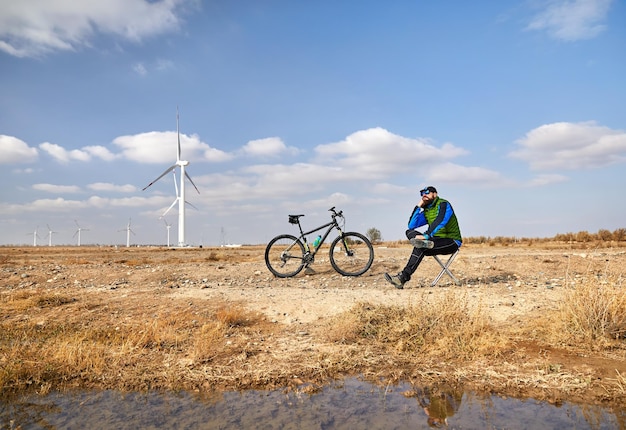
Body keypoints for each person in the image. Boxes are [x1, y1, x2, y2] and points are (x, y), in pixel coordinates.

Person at [384, 186, 462, 289]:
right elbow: (412, 225)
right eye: (422, 194)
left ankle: (402, 278)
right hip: (434, 241)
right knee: (410, 233)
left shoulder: (444, 204)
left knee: (422, 245)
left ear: (435, 194)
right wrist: (418, 206)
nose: (424, 195)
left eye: (427, 192)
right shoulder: (427, 210)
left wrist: (426, 235)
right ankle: (401, 279)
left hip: (451, 241)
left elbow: (440, 221)